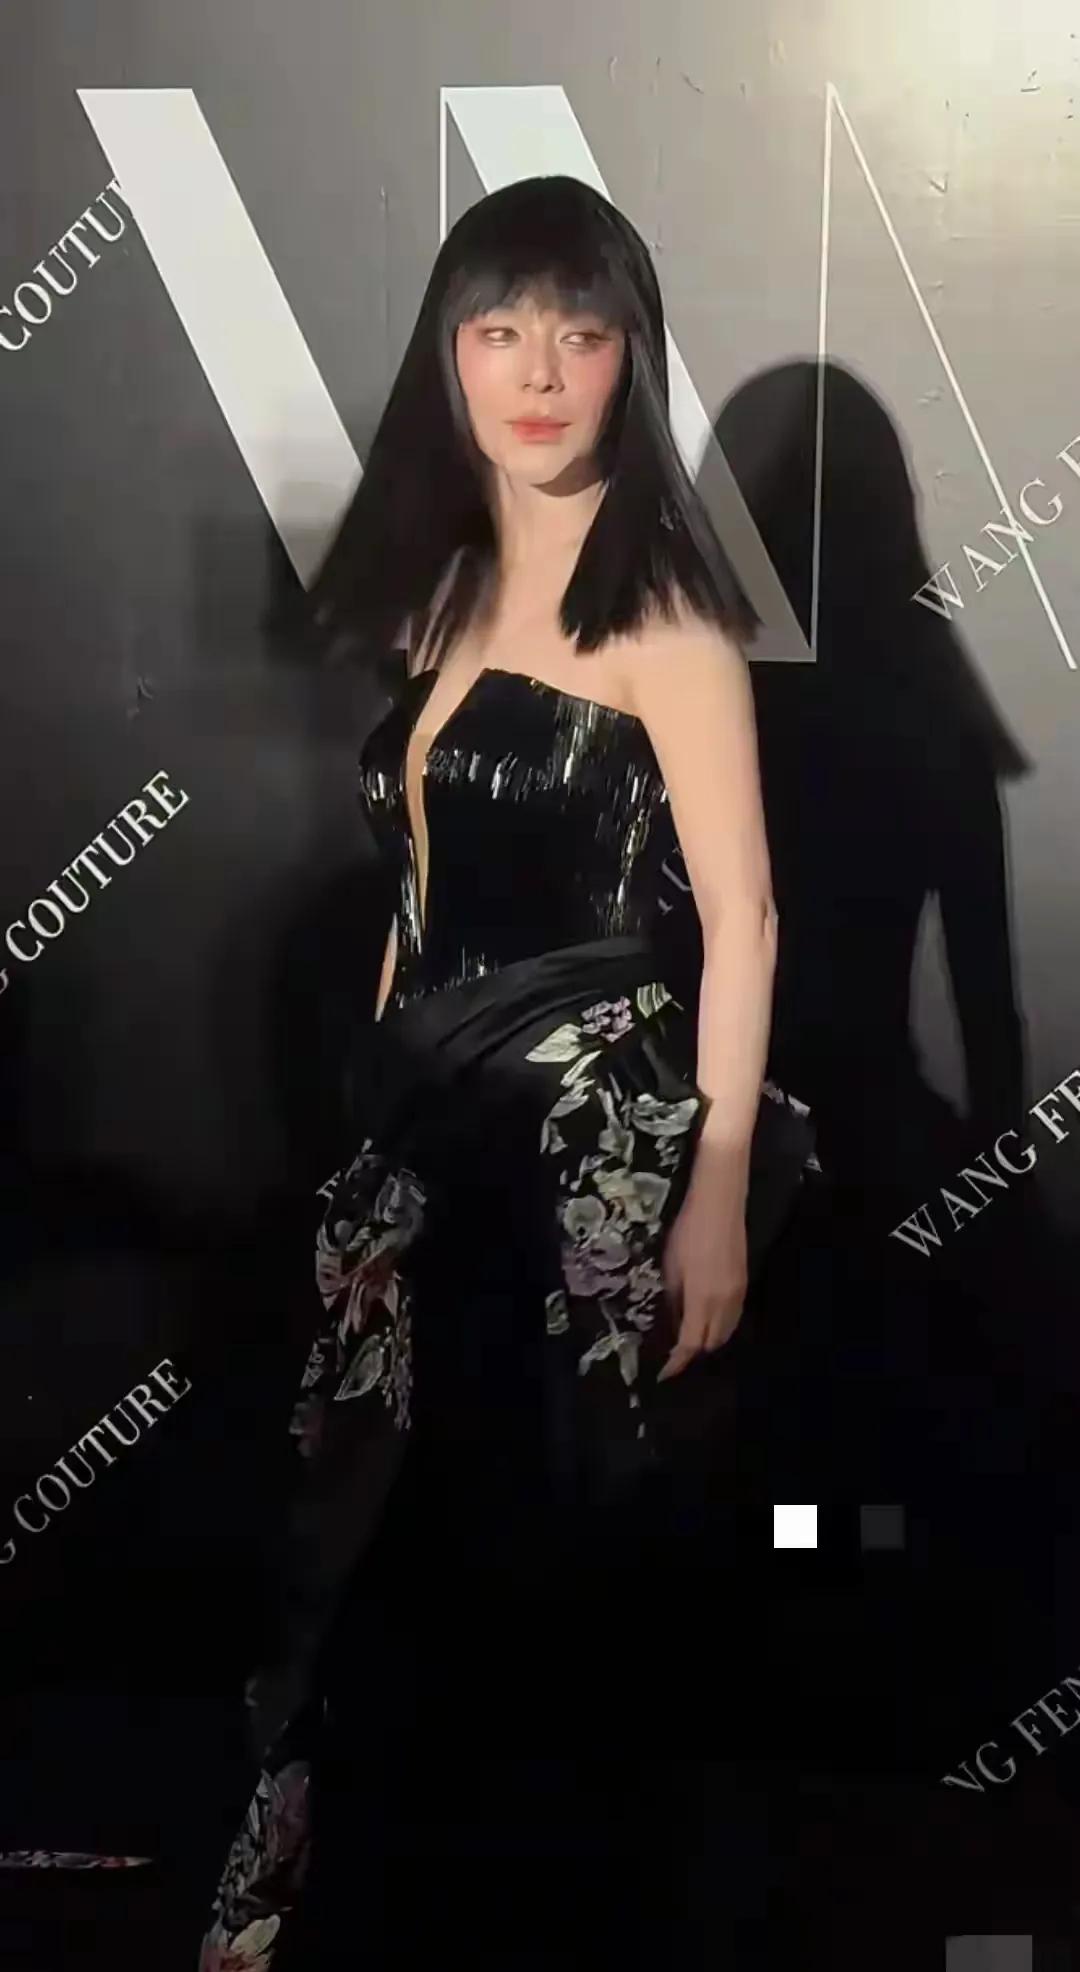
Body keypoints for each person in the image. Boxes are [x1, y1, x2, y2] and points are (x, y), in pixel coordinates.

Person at [197, 173, 809, 1971]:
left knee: (550, 1576)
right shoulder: (446, 587)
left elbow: (746, 920)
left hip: (591, 1166)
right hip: (430, 1147)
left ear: (630, 360)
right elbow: (413, 883)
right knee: (392, 1560)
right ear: (448, 356)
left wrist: (713, 1198)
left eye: (582, 333)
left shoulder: (671, 619)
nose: (539, 373)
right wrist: (376, 1133)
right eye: (499, 330)